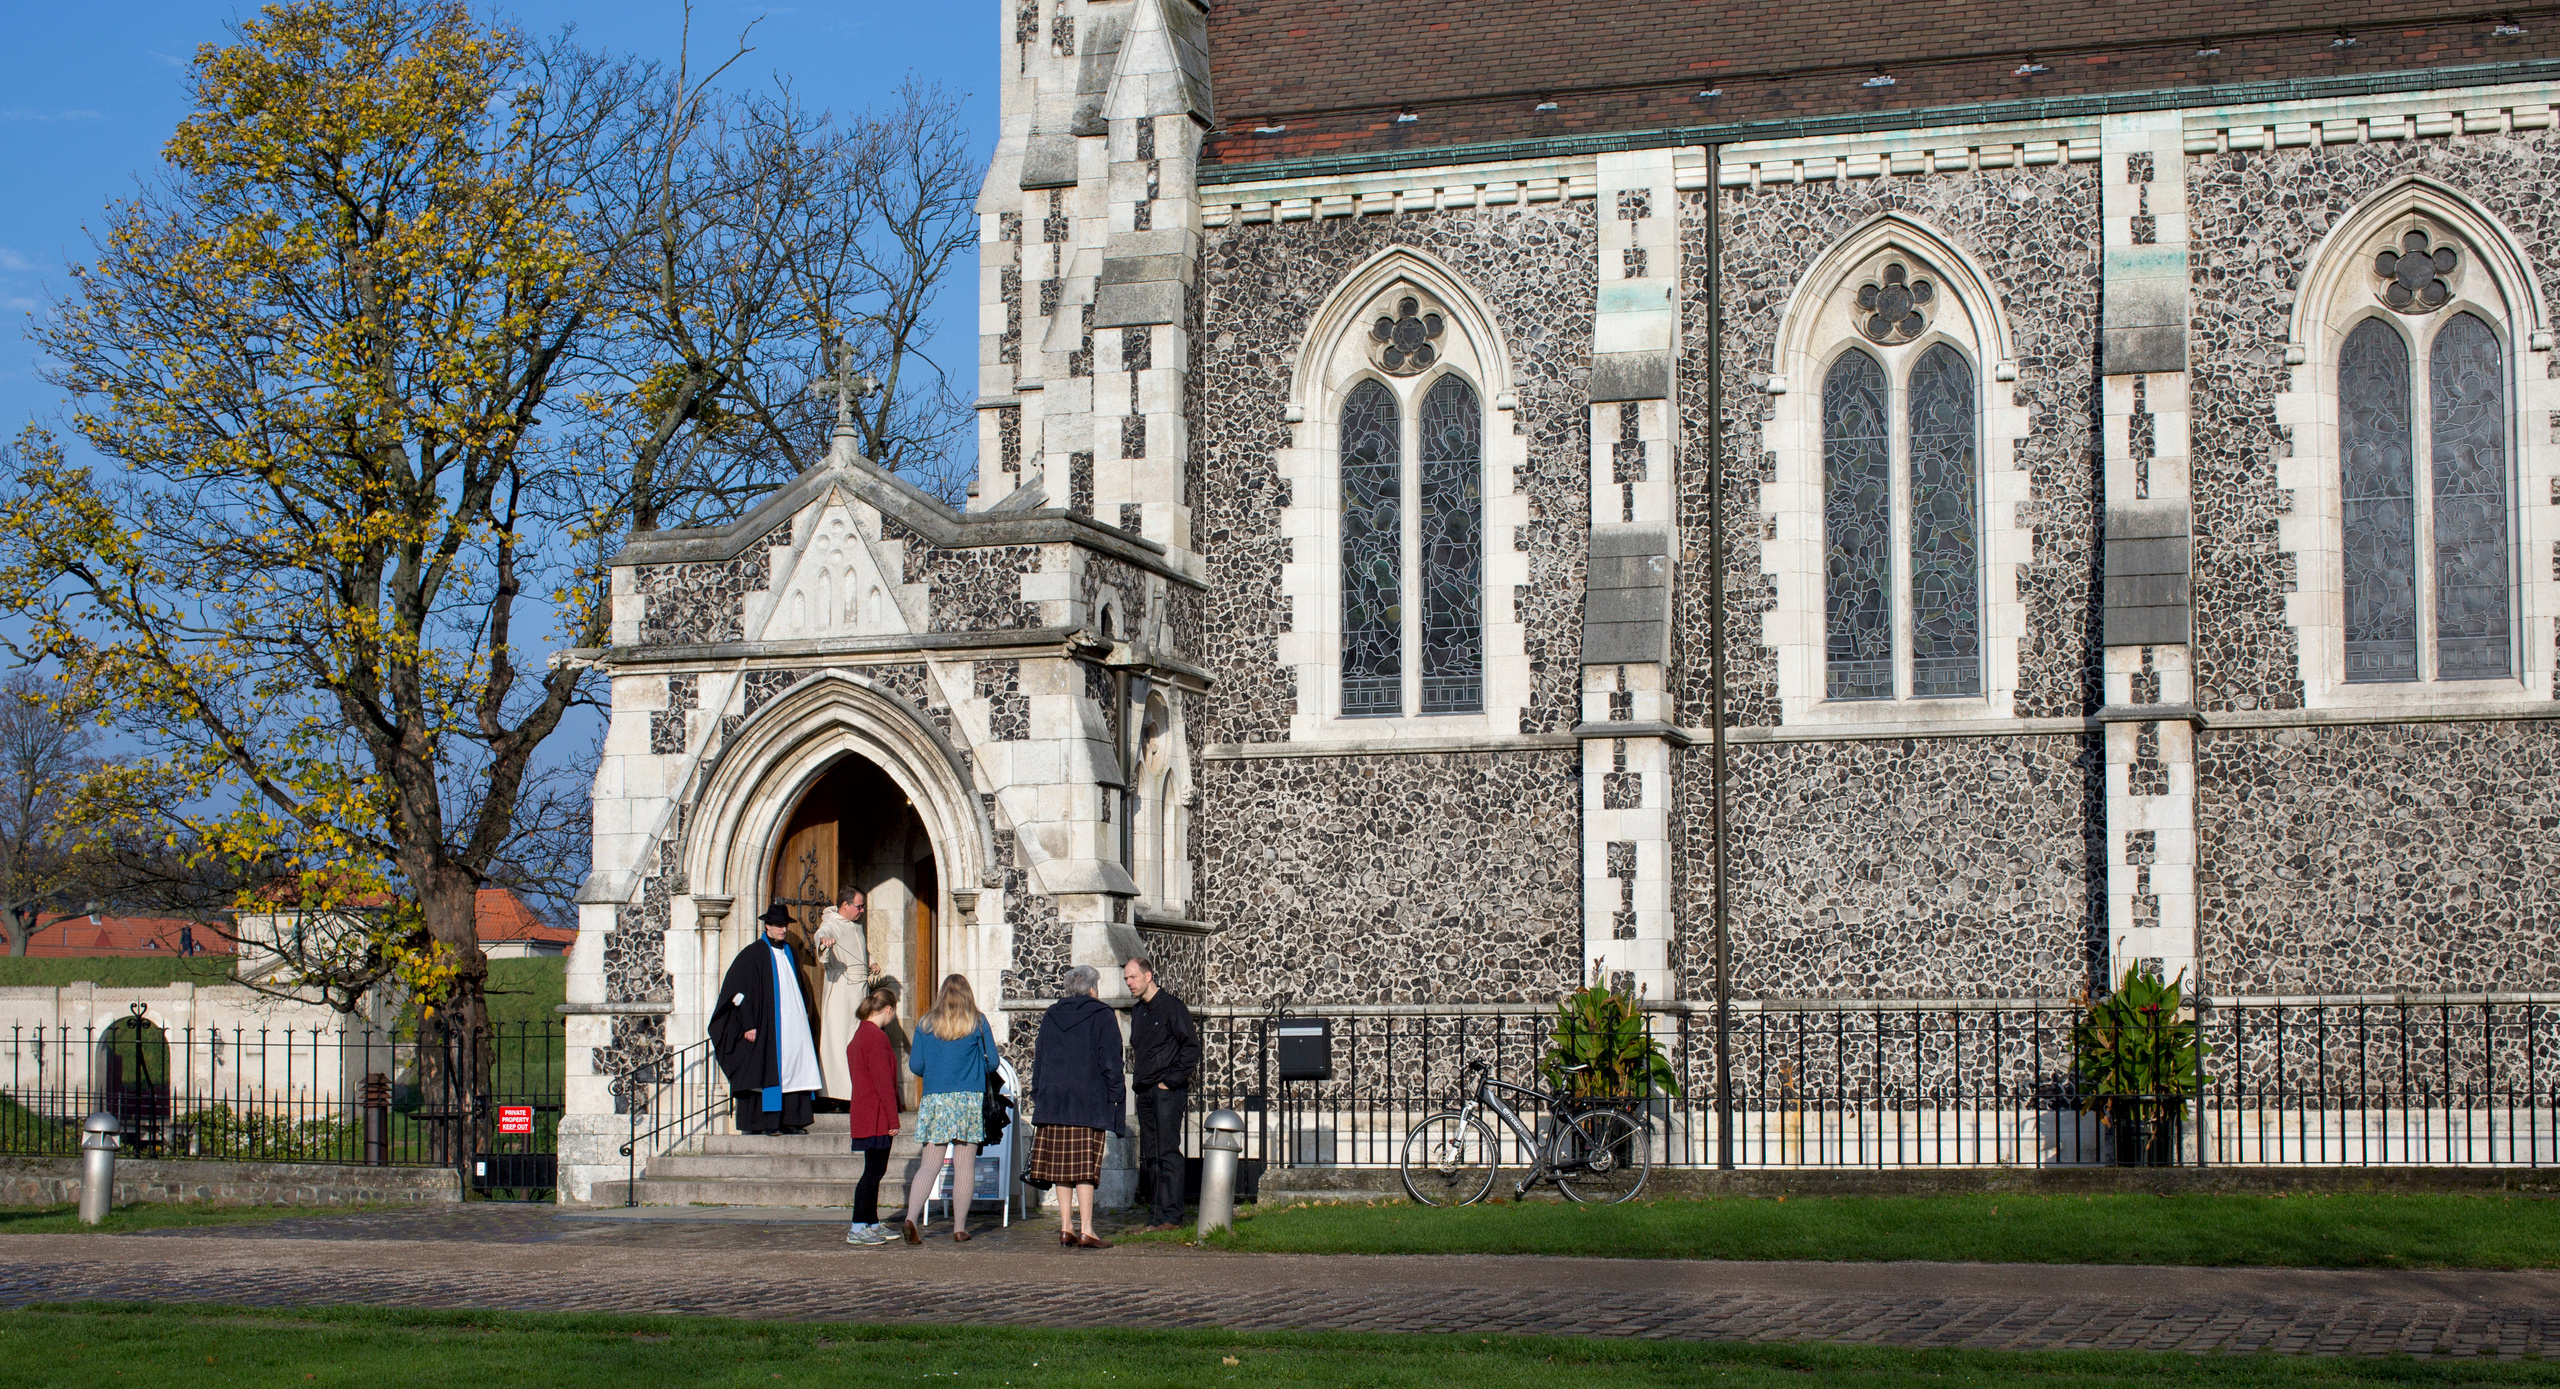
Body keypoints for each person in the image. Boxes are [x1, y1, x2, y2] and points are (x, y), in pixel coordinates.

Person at [1028, 963, 1123, 1249]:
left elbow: (1040, 1058)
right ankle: (1088, 1229)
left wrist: (1038, 1093)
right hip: (1088, 1100)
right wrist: (1116, 1093)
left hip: (1053, 1100)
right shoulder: (1103, 1015)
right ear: (1093, 989)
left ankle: (1066, 1226)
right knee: (1083, 1167)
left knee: (1060, 1166)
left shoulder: (1051, 1015)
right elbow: (1111, 1061)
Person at [708, 903, 823, 1134]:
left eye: (785, 925)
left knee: (794, 1070)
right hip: (767, 1027)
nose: (783, 930)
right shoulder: (752, 954)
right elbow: (737, 994)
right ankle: (765, 1123)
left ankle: (791, 1121)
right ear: (767, 925)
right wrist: (749, 1024)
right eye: (779, 925)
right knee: (765, 1073)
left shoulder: (789, 952)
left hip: (792, 1027)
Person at [899, 972, 997, 1243]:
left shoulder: (925, 1023)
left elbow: (916, 1065)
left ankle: (911, 1217)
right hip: (967, 1099)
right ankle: (959, 1228)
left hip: (935, 1100)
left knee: (929, 1165)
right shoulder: (977, 1021)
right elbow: (993, 1062)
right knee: (964, 1167)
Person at [1123, 955, 1199, 1231]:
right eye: (1126, 979)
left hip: (1166, 1091)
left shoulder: (1172, 1007)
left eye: (1132, 977)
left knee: (1168, 1152)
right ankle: (1156, 1217)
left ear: (1148, 975)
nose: (1129, 983)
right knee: (1151, 1156)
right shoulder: (1138, 1011)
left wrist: (1169, 1081)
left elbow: (1190, 1048)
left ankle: (1173, 1217)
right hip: (1144, 1091)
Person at [842, 986, 903, 1245]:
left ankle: (871, 1221)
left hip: (865, 1112)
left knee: (874, 1170)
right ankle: (858, 1225)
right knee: (873, 1172)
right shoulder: (876, 1039)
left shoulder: (859, 1036)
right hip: (876, 1114)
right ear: (888, 1010)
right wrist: (893, 1118)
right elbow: (883, 1083)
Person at [813, 889, 870, 1103]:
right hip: (841, 991)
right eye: (858, 906)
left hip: (859, 992)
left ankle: (854, 1090)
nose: (861, 910)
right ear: (845, 905)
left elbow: (858, 948)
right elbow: (822, 933)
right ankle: (836, 1094)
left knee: (856, 1039)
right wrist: (824, 941)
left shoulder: (855, 925)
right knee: (838, 1039)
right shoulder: (833, 923)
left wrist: (869, 960)